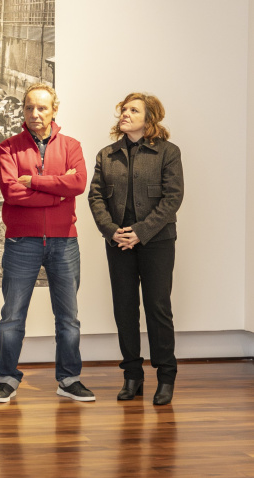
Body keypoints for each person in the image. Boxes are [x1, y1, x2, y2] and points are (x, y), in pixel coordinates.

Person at [0, 83, 91, 403]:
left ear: (54, 110)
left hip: (64, 241)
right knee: (12, 317)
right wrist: (57, 194)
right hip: (21, 241)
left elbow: (78, 183)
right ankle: (6, 378)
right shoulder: (8, 147)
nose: (35, 113)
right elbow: (11, 192)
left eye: (42, 108)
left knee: (68, 317)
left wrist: (34, 181)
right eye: (29, 107)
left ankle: (69, 379)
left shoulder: (72, 146)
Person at [88, 93, 183, 405]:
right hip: (119, 242)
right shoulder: (106, 155)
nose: (125, 114)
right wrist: (112, 231)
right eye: (123, 110)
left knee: (158, 308)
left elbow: (172, 198)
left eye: (133, 110)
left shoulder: (168, 152)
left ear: (149, 118)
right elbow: (95, 197)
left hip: (157, 241)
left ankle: (166, 377)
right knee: (125, 309)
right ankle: (132, 376)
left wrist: (140, 233)